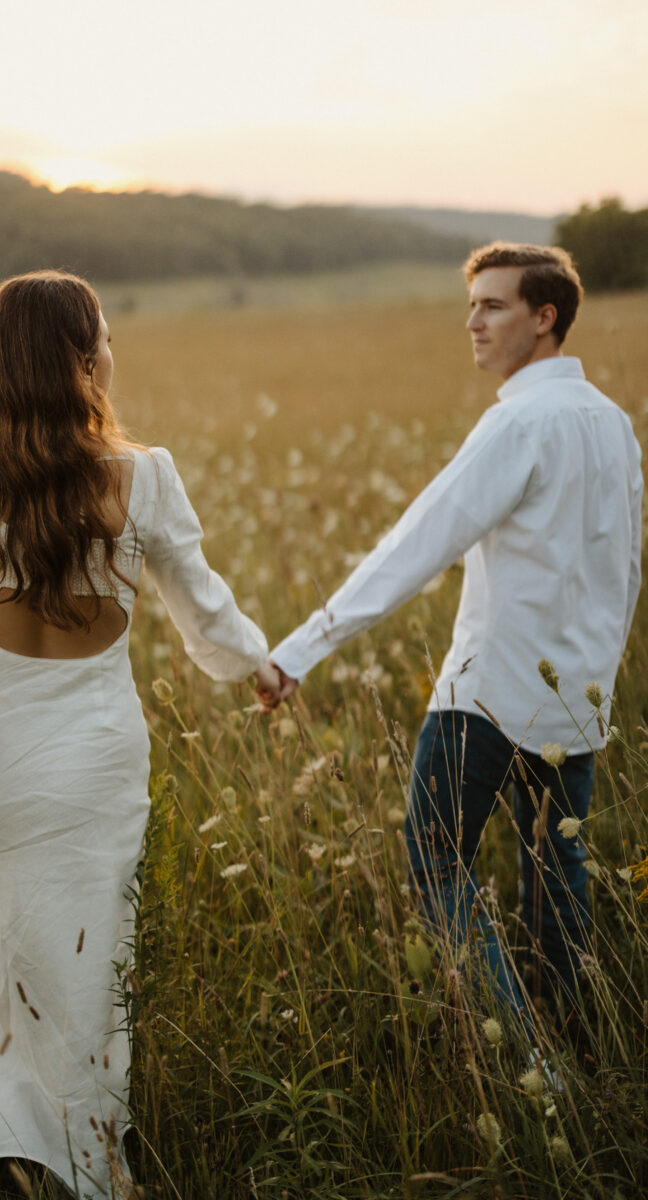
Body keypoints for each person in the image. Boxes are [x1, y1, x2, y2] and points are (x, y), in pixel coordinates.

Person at [0, 270, 280, 1199]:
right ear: (84, 362)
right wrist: (262, 665)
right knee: (81, 974)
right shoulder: (147, 476)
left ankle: (4, 1134)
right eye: (106, 340)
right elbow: (209, 618)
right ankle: (92, 1158)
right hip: (93, 767)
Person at [261, 243, 642, 1015]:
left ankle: (524, 1058)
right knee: (556, 867)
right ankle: (565, 1039)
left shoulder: (518, 425)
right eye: (471, 305)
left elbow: (416, 544)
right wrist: (598, 684)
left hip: (490, 695)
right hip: (576, 700)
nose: (472, 322)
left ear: (546, 317)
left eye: (493, 306)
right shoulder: (614, 425)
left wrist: (299, 650)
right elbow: (623, 571)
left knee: (437, 860)